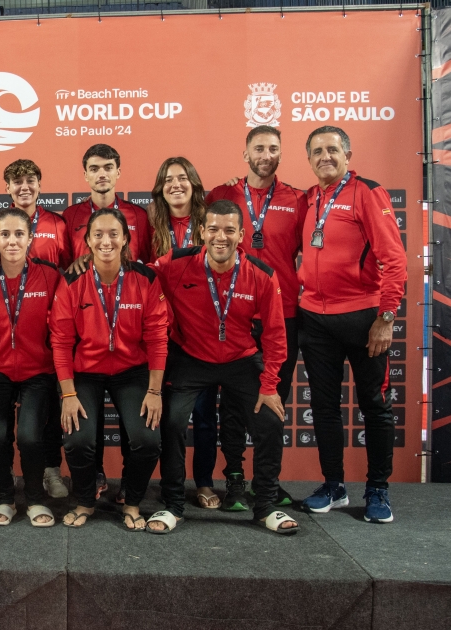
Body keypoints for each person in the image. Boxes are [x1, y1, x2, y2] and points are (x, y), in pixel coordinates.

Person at [152, 199, 296, 535]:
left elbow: (276, 335)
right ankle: (172, 505)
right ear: (202, 232)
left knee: (270, 421)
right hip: (191, 358)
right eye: (213, 229)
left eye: (229, 230)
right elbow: (137, 273)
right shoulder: (176, 263)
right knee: (171, 422)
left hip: (240, 360)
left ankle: (266, 507)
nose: (221, 236)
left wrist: (270, 384)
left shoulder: (261, 274)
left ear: (241, 234)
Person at [298, 126, 406, 524]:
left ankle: (377, 489)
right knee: (324, 408)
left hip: (364, 317)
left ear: (347, 154)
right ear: (308, 159)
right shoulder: (310, 198)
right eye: (317, 151)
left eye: (332, 150)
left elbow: (394, 260)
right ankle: (334, 486)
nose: (324, 156)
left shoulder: (368, 192)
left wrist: (386, 317)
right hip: (315, 318)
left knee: (374, 407)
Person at [205, 127, 307, 511]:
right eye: (259, 148)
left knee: (272, 403)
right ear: (245, 153)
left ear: (281, 154)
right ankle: (234, 479)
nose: (266, 154)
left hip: (285, 313)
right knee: (233, 402)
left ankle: (268, 483)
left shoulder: (297, 198)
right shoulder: (222, 194)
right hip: (234, 311)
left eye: (273, 148)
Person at [51, 208, 167, 530]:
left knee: (147, 439)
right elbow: (60, 341)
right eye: (98, 234)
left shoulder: (145, 279)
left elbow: (158, 338)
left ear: (126, 239)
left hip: (132, 370)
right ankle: (85, 500)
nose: (106, 241)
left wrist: (154, 391)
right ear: (87, 241)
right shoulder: (72, 281)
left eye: (114, 233)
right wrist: (69, 394)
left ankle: (131, 502)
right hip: (85, 372)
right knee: (76, 439)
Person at [60, 145, 154, 501]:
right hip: (86, 330)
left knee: (136, 420)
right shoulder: (69, 216)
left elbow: (145, 266)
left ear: (118, 172)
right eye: (94, 168)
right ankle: (94, 475)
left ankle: (130, 486)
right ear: (85, 175)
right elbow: (68, 270)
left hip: (129, 329)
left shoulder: (138, 216)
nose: (102, 174)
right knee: (88, 415)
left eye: (108, 167)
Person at [0, 158, 71, 498]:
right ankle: (5, 482)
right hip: (0, 357)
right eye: (17, 182)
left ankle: (48, 473)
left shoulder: (58, 225)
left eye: (31, 179)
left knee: (42, 427)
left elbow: (71, 277)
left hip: (40, 350)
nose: (24, 186)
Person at [0, 208, 61, 527]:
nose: (12, 241)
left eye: (19, 234)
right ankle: (5, 497)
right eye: (5, 234)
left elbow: (62, 330)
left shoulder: (50, 275)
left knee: (29, 438)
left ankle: (35, 499)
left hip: (38, 371)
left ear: (30, 238)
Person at [148, 157, 222, 510]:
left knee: (206, 415)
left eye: (182, 178)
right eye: (168, 179)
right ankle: (170, 485)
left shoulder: (211, 223)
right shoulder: (151, 223)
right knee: (169, 418)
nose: (175, 184)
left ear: (193, 182)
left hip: (204, 335)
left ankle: (204, 481)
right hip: (165, 336)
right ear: (161, 188)